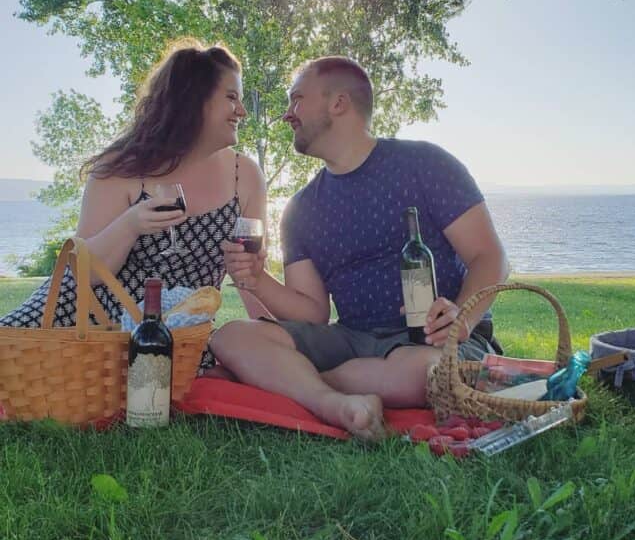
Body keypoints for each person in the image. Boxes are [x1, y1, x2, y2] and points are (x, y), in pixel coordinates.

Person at [211, 55, 509, 441]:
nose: (288, 114)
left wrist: (463, 317)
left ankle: (291, 380)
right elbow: (312, 312)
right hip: (354, 340)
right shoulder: (301, 208)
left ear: (338, 103)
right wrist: (255, 279)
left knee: (427, 372)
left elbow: (490, 257)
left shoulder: (426, 164)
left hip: (434, 342)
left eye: (297, 99)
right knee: (231, 337)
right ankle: (336, 403)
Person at [0, 41, 267, 334]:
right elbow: (84, 273)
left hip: (176, 334)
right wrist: (130, 225)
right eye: (232, 97)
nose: (241, 111)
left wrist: (273, 332)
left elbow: (249, 275)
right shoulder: (123, 165)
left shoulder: (246, 175)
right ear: (193, 99)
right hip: (86, 324)